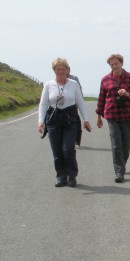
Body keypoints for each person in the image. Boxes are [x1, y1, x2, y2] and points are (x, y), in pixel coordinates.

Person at [37, 57, 91, 187]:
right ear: (54, 70)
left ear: (67, 70)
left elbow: (80, 102)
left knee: (68, 149)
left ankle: (72, 175)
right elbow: (43, 104)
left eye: (63, 69)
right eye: (57, 69)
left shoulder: (73, 84)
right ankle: (61, 176)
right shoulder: (48, 85)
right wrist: (40, 121)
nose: (60, 71)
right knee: (57, 151)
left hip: (70, 119)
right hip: (54, 120)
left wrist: (86, 119)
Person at [96, 54, 130, 183]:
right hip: (112, 115)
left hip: (127, 115)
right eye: (112, 65)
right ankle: (119, 171)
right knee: (116, 144)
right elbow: (101, 99)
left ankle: (122, 164)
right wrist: (98, 116)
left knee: (126, 143)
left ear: (122, 63)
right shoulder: (105, 80)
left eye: (116, 64)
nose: (114, 66)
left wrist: (127, 94)